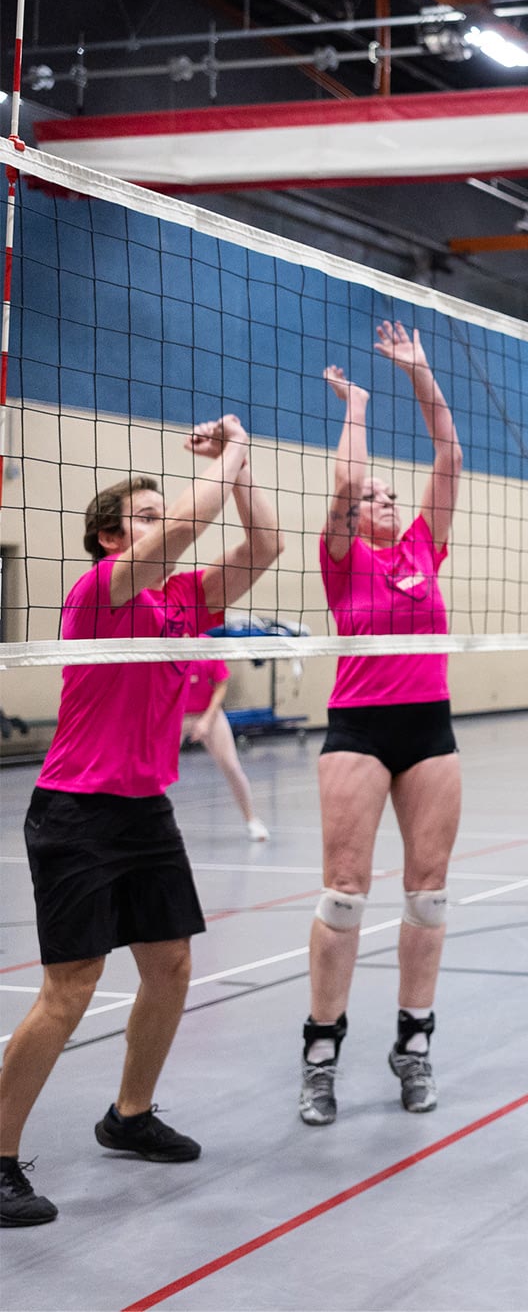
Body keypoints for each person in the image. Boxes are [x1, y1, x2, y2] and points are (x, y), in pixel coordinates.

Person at [0, 418, 283, 1226]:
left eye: (162, 512)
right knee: (70, 989)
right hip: (77, 811)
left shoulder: (183, 599)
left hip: (146, 809)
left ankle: (128, 1115)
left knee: (171, 967)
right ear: (109, 536)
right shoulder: (101, 591)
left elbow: (266, 546)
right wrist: (228, 458)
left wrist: (242, 465)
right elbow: (191, 525)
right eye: (146, 516)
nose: (165, 524)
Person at [299, 321, 462, 1128]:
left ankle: (414, 1045)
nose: (386, 501)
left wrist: (418, 373)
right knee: (345, 893)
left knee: (428, 894)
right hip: (359, 728)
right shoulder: (342, 558)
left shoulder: (426, 548)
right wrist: (358, 405)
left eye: (392, 496)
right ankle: (321, 1053)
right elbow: (345, 483)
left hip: (428, 729)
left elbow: (449, 457)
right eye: (375, 497)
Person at [179, 659, 268, 841]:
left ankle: (251, 820)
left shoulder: (208, 650)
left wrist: (206, 720)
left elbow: (221, 684)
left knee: (232, 767)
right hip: (176, 715)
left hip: (209, 714)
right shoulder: (168, 651)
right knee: (158, 773)